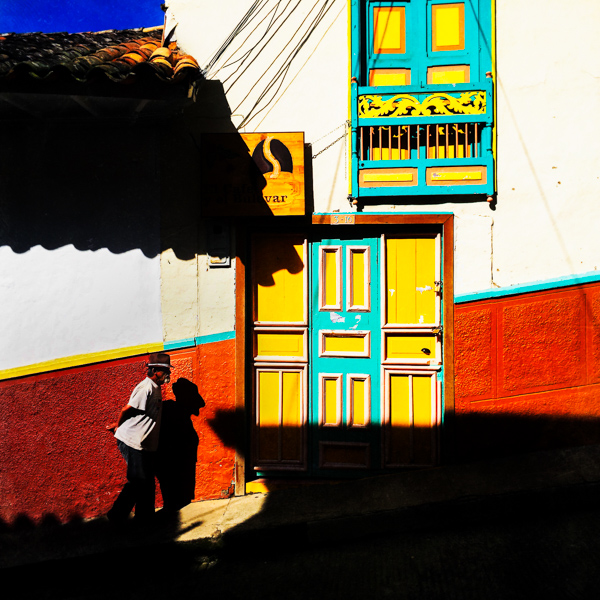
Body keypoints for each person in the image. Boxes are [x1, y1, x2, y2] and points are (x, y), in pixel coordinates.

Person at [106, 352, 172, 525]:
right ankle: (116, 516)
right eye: (166, 372)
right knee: (138, 481)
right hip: (132, 442)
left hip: (145, 445)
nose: (168, 376)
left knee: (147, 482)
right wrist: (118, 426)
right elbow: (126, 410)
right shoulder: (146, 388)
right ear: (156, 371)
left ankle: (145, 519)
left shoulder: (155, 388)